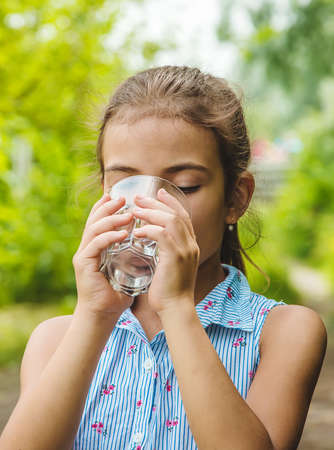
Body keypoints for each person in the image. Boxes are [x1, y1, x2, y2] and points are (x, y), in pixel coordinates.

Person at [0, 66, 327, 450]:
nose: (149, 207)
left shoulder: (283, 333)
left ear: (236, 199)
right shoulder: (54, 340)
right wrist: (94, 315)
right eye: (126, 183)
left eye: (184, 186)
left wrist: (176, 307)